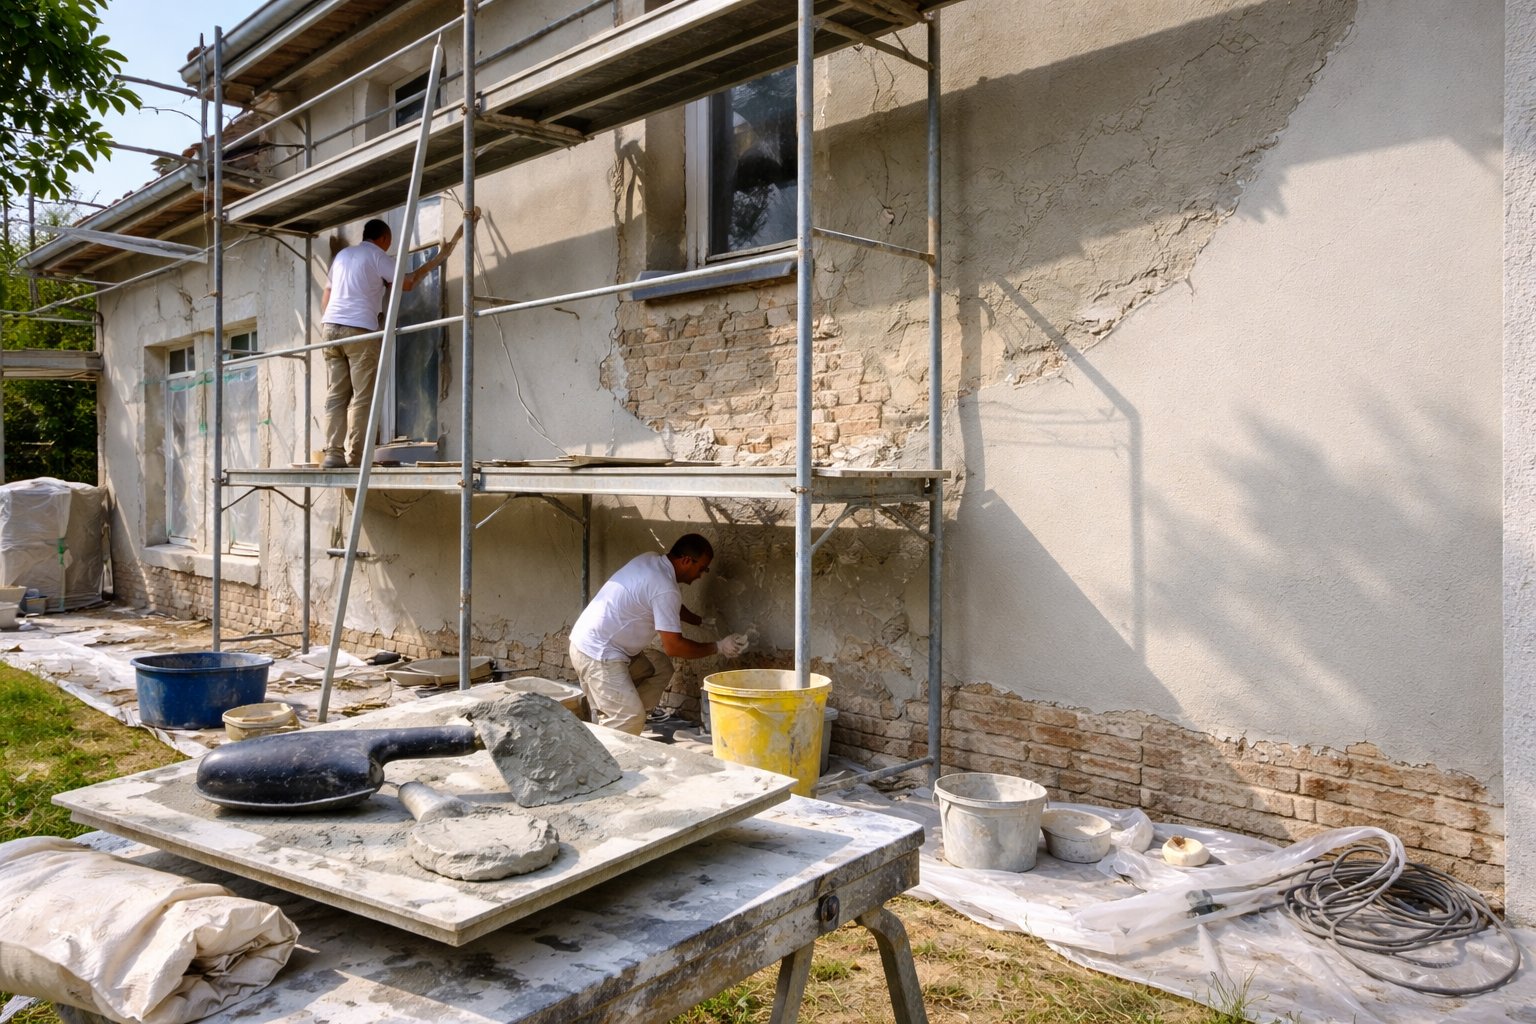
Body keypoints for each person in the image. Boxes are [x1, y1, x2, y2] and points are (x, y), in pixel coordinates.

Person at [318, 216, 466, 468]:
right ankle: (357, 458)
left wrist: (328, 323)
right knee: (364, 397)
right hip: (359, 331)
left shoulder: (342, 257)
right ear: (384, 238)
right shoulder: (377, 255)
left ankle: (333, 454)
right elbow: (407, 283)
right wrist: (432, 263)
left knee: (336, 396)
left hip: (330, 330)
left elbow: (328, 294)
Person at [569, 534, 749, 734]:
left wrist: (699, 621)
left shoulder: (652, 560)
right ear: (687, 560)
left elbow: (667, 605)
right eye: (702, 569)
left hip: (588, 642)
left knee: (660, 667)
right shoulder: (666, 588)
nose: (701, 575)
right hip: (598, 654)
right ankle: (619, 731)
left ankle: (617, 717)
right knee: (630, 718)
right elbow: (674, 646)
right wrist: (719, 647)